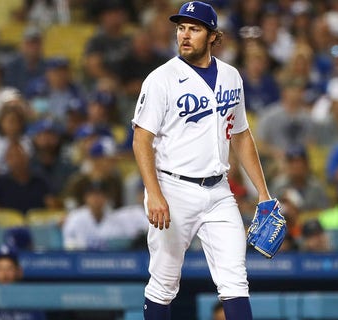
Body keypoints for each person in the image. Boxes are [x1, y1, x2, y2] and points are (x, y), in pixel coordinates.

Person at [131, 2, 273, 319]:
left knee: (235, 281)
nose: (185, 35)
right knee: (164, 284)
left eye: (194, 29)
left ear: (212, 36)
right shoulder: (161, 79)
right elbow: (141, 138)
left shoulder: (232, 77)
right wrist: (153, 192)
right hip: (172, 187)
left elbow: (241, 135)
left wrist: (263, 192)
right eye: (181, 28)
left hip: (219, 190)